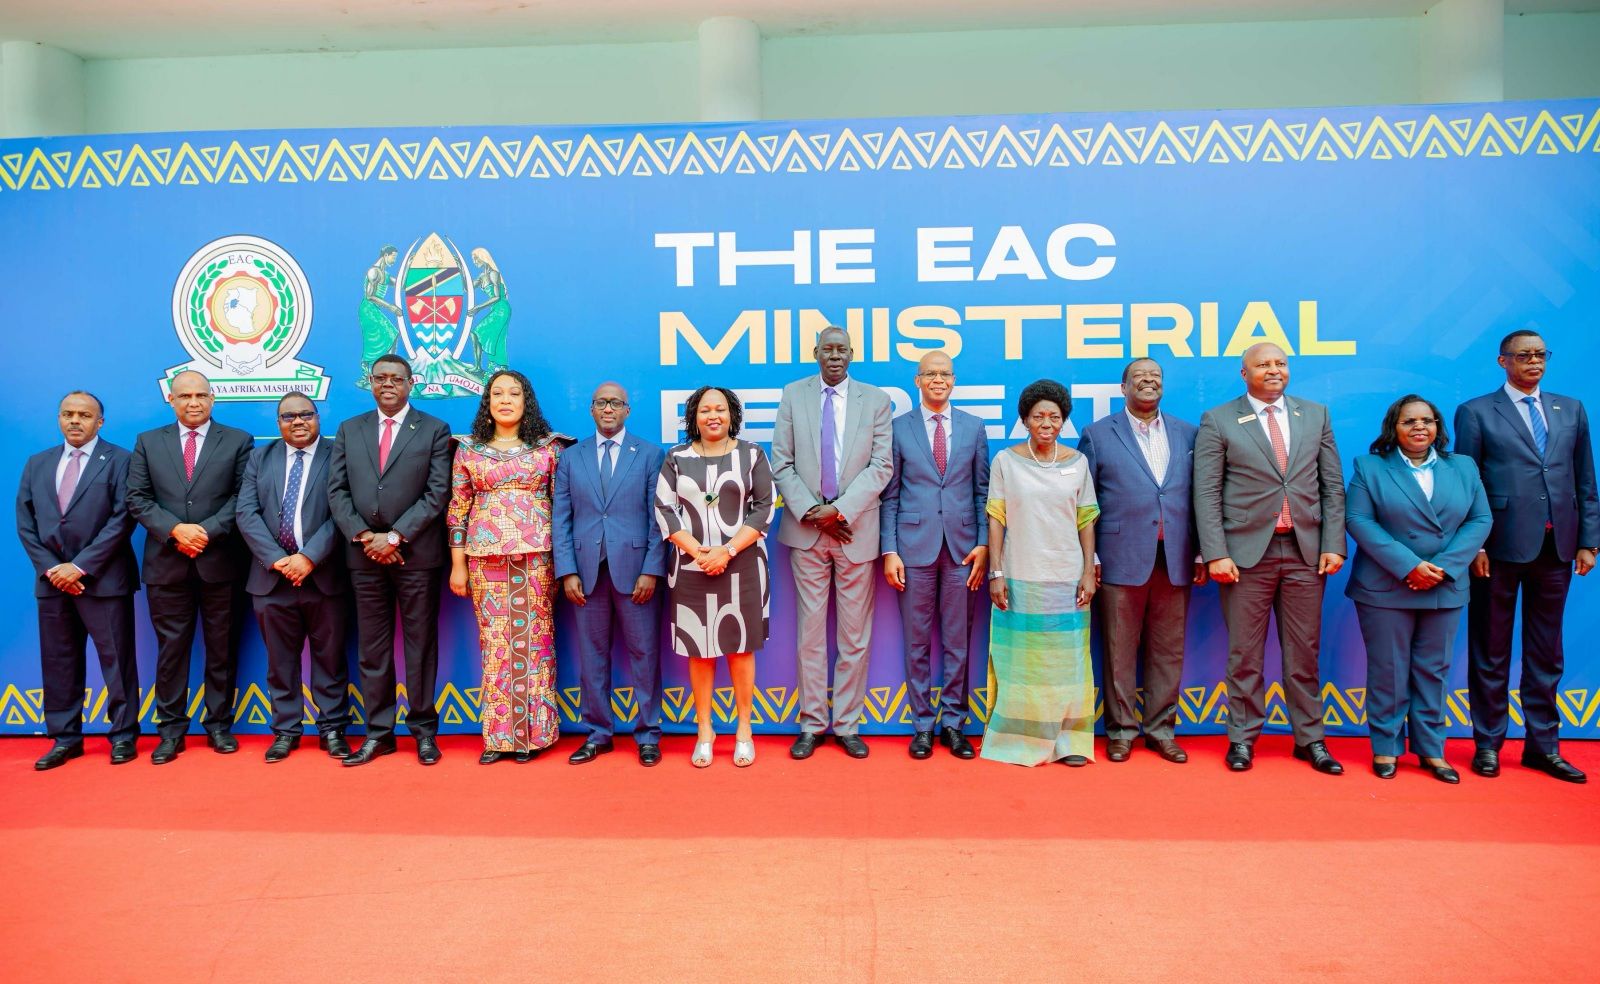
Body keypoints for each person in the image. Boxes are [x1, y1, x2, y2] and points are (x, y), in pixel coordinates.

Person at [1193, 342, 1346, 775]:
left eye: (1280, 363)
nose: (1274, 370)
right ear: (1245, 373)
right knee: (1245, 655)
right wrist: (1216, 552)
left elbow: (1333, 487)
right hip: (1244, 557)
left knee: (1304, 653)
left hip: (1305, 553)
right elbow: (1205, 493)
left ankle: (1310, 740)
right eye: (1264, 364)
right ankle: (1242, 739)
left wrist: (1333, 543)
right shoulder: (1219, 420)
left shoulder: (1315, 415)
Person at [1454, 329, 1598, 784]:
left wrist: (1588, 541)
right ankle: (1489, 745)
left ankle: (1543, 747)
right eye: (1523, 355)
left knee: (1546, 652)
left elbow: (1585, 481)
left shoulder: (1570, 408)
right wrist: (1474, 545)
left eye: (1540, 355)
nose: (1534, 362)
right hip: (1496, 551)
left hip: (1557, 548)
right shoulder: (1476, 412)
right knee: (1491, 650)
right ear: (1503, 362)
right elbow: (1467, 484)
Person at [1345, 395, 1491, 783]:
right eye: (1409, 421)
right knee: (1389, 671)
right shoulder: (1370, 467)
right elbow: (1358, 519)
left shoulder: (1463, 466)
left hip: (1444, 584)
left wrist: (1441, 568)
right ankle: (1386, 748)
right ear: (1393, 428)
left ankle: (1432, 750)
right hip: (1384, 586)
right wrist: (1409, 565)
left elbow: (1480, 519)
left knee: (1433, 670)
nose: (1419, 427)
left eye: (1428, 420)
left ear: (1439, 427)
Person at [771, 326, 893, 760]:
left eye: (842, 350)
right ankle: (811, 724)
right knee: (810, 634)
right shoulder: (793, 395)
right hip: (807, 532)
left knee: (855, 635)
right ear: (816, 353)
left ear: (852, 354)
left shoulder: (876, 400)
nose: (835, 356)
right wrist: (813, 512)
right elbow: (780, 463)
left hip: (855, 530)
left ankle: (847, 724)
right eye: (828, 349)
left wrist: (839, 511)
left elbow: (882, 466)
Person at [1078, 358, 1204, 764]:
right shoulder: (1098, 435)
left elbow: (1202, 497)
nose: (1148, 382)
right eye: (1139, 377)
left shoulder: (1189, 434)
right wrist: (1090, 556)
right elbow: (1084, 504)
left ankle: (1161, 730)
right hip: (1120, 559)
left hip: (1176, 558)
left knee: (1168, 650)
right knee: (1118, 650)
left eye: (1155, 377)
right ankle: (1120, 731)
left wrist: (1203, 549)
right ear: (1123, 387)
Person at [329, 353, 453, 767]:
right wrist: (366, 537)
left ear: (410, 383)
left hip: (415, 557)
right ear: (370, 382)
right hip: (364, 557)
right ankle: (378, 733)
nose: (387, 384)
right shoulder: (350, 429)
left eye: (395, 378)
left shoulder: (434, 430)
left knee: (420, 647)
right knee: (372, 649)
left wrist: (396, 535)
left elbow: (437, 493)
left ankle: (423, 732)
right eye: (379, 378)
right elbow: (337, 492)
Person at [127, 370, 254, 764]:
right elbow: (137, 497)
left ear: (213, 399)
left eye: (201, 395)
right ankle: (170, 731)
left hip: (221, 562)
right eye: (185, 396)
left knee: (222, 650)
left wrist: (207, 531)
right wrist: (175, 530)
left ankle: (218, 726)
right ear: (171, 399)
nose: (194, 402)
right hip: (167, 564)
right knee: (171, 651)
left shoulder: (237, 441)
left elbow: (243, 497)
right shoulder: (149, 442)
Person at [447, 370, 572, 764]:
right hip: (485, 561)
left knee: (536, 642)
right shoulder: (468, 450)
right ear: (487, 403)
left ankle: (535, 737)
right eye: (497, 393)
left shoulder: (549, 449)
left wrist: (564, 564)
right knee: (496, 644)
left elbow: (563, 509)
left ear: (526, 401)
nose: (505, 400)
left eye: (514, 393)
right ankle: (500, 737)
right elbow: (457, 511)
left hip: (538, 559)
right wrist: (458, 566)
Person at [17, 391, 141, 770]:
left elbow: (123, 518)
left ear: (99, 422)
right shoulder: (38, 464)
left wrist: (81, 566)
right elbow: (26, 523)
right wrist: (54, 568)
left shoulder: (121, 461)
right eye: (67, 414)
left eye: (84, 415)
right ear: (58, 419)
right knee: (58, 661)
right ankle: (65, 738)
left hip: (103, 581)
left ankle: (122, 736)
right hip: (53, 582)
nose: (75, 421)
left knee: (116, 662)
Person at [654, 386, 775, 768]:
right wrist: (698, 552)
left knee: (740, 649)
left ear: (731, 414)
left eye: (720, 409)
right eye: (705, 409)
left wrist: (726, 551)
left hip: (742, 564)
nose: (713, 416)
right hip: (690, 566)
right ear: (694, 415)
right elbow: (665, 509)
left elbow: (763, 508)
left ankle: (743, 729)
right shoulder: (676, 457)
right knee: (700, 651)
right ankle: (704, 730)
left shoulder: (752, 454)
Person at [982, 379, 1098, 766]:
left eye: (1054, 416)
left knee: (1066, 663)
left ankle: (1069, 742)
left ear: (1064, 421)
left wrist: (1088, 570)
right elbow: (996, 518)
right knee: (1024, 663)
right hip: (1020, 575)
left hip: (1067, 576)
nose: (1046, 423)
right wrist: (996, 572)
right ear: (1025, 421)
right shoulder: (1005, 462)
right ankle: (1020, 741)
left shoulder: (1077, 463)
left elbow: (1086, 519)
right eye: (1038, 416)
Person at [880, 351, 989, 760]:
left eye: (944, 374)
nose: (938, 380)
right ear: (917, 380)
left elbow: (983, 492)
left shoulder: (974, 428)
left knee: (959, 642)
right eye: (930, 374)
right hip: (912, 551)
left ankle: (955, 725)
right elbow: (889, 496)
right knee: (917, 642)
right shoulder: (896, 429)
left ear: (954, 380)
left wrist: (983, 543)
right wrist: (889, 550)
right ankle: (923, 725)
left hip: (963, 551)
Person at [553, 382, 668, 767]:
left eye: (616, 403)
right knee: (592, 657)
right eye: (601, 402)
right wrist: (566, 570)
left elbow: (659, 520)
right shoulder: (570, 458)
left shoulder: (651, 455)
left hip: (637, 572)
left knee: (645, 655)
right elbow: (561, 518)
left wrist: (652, 569)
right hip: (586, 573)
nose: (608, 409)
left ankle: (648, 733)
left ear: (627, 410)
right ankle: (598, 733)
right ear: (590, 409)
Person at [235, 392, 351, 763]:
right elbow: (246, 513)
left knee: (330, 659)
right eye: (288, 416)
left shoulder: (339, 455)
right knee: (280, 662)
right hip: (271, 579)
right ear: (278, 422)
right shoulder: (260, 457)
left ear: (318, 418)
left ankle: (332, 729)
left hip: (323, 576)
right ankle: (286, 730)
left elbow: (344, 513)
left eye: (306, 414)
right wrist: (278, 560)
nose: (298, 421)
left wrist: (308, 557)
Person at [466, 247, 511, 374]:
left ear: (483, 258)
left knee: (481, 333)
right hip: (496, 309)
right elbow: (466, 288)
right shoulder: (481, 276)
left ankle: (493, 365)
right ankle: (478, 366)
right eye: (473, 259)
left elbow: (497, 297)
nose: (474, 261)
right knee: (476, 334)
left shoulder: (493, 274)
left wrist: (478, 308)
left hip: (501, 309)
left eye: (476, 258)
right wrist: (460, 268)